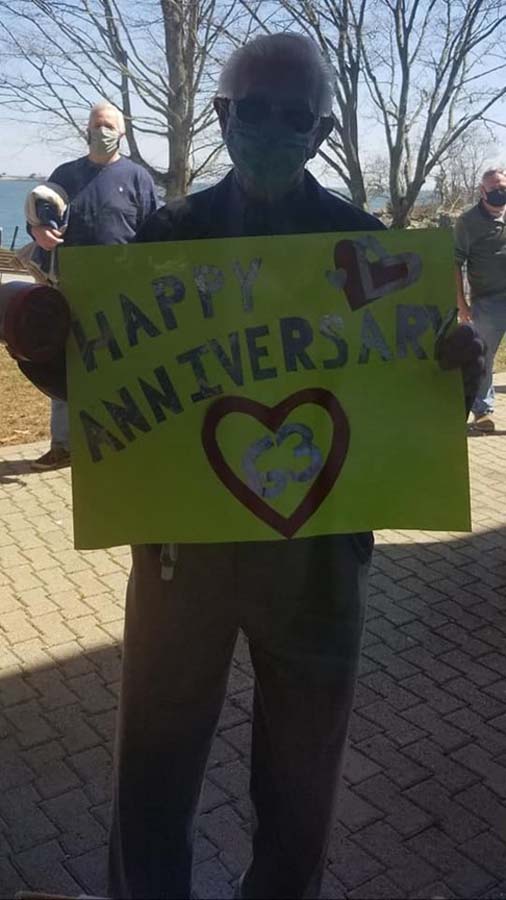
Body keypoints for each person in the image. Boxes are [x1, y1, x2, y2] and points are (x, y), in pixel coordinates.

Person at [104, 33, 484, 900]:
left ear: (321, 130)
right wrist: (43, 339)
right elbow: (96, 377)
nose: (272, 130)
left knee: (303, 788)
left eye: (295, 116)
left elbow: (420, 402)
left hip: (318, 559)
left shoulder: (366, 244)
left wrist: (457, 372)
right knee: (152, 781)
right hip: (179, 558)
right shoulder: (167, 234)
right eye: (254, 112)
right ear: (221, 117)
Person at [29, 102, 158, 471]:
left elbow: (154, 232)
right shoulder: (64, 175)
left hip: (124, 291)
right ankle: (64, 446)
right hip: (71, 287)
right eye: (98, 124)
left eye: (110, 125)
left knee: (125, 365)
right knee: (69, 364)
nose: (103, 131)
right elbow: (38, 218)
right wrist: (39, 232)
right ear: (88, 129)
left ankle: (127, 439)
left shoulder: (138, 178)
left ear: (121, 132)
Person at [455, 167, 506, 432]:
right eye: (494, 189)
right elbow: (455, 263)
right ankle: (483, 412)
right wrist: (461, 304)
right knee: (483, 357)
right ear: (482, 191)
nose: (500, 193)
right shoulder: (467, 222)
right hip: (487, 302)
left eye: (503, 187)